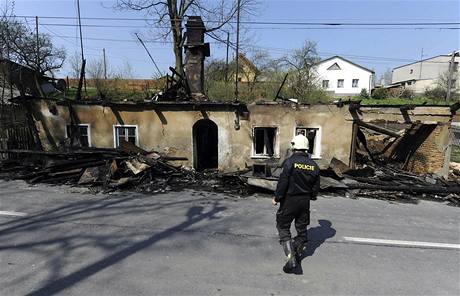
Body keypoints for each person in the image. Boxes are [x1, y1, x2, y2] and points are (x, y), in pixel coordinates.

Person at [272, 134, 320, 274]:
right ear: (306, 148)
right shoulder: (314, 165)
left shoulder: (290, 162)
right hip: (304, 202)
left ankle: (291, 257)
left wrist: (277, 197)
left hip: (289, 200)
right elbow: (316, 187)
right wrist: (312, 196)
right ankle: (297, 253)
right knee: (302, 230)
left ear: (294, 147)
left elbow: (283, 182)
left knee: (283, 226)